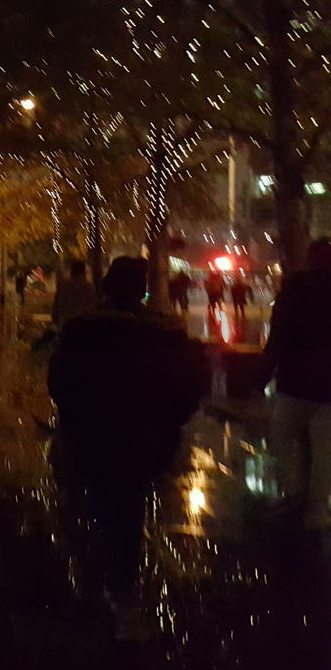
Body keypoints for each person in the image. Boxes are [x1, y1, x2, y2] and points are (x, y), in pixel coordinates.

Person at [48, 256, 207, 637]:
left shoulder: (81, 330)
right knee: (129, 511)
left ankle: (99, 574)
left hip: (92, 436)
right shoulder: (165, 334)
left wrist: (73, 416)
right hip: (141, 441)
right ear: (143, 290)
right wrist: (171, 423)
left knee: (96, 502)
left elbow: (59, 382)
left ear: (106, 287)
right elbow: (187, 387)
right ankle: (121, 587)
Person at [263, 239, 331, 530]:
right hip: (328, 386)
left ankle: (294, 493)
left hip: (295, 382)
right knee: (323, 450)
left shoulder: (294, 290)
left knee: (282, 440)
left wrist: (260, 376)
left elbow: (278, 337)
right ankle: (316, 509)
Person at [51, 260, 97, 328]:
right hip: (82, 326)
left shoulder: (63, 287)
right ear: (84, 272)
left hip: (65, 325)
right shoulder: (88, 287)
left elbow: (56, 309)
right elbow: (92, 307)